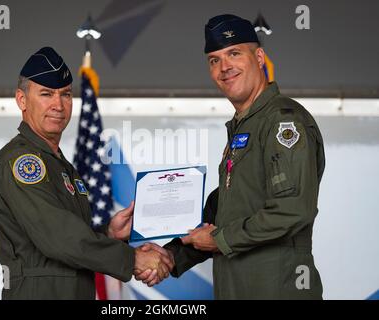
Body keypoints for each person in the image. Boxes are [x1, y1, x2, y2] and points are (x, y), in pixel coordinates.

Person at [136, 14, 325, 299]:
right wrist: (172, 255)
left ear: (259, 57)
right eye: (214, 60)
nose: (224, 67)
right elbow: (225, 210)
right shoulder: (243, 126)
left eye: (234, 53)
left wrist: (219, 239)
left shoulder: (284, 121)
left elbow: (292, 210)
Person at [0, 47, 172, 299]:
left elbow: (69, 232)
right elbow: (59, 237)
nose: (58, 105)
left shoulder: (59, 164)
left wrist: (108, 233)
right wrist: (133, 260)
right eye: (46, 94)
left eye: (65, 94)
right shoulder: (23, 161)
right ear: (21, 100)